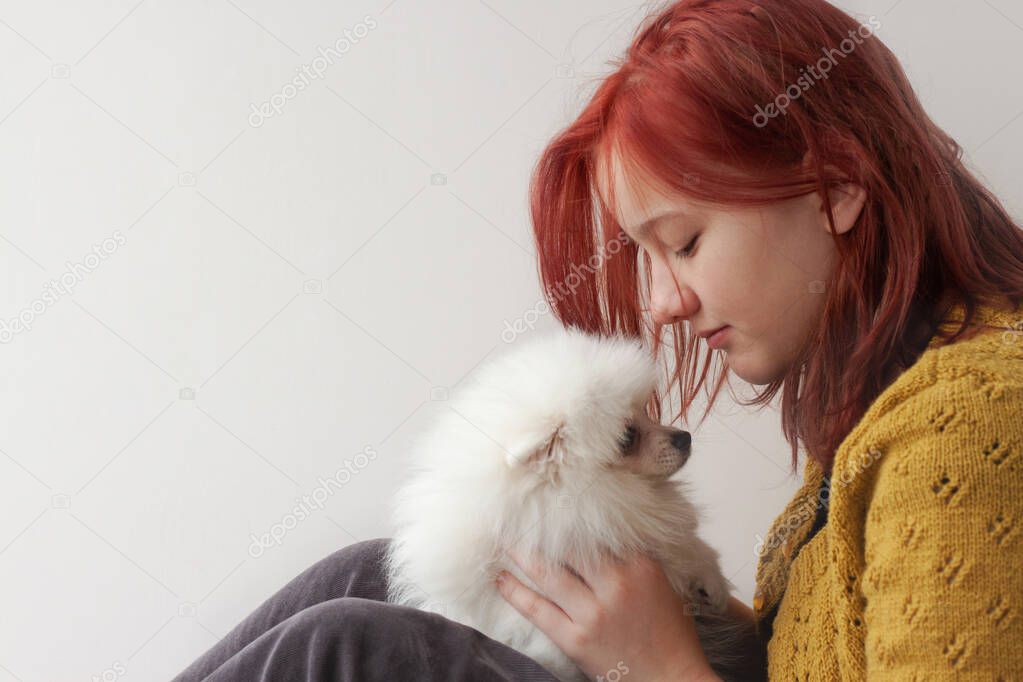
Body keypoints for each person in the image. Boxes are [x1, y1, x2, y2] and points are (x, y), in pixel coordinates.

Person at [173, 0, 1023, 679]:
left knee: (346, 645)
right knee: (367, 574)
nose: (657, 304)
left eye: (684, 243)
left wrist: (649, 662)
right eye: (644, 257)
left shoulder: (966, 426)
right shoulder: (879, 420)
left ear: (836, 187)